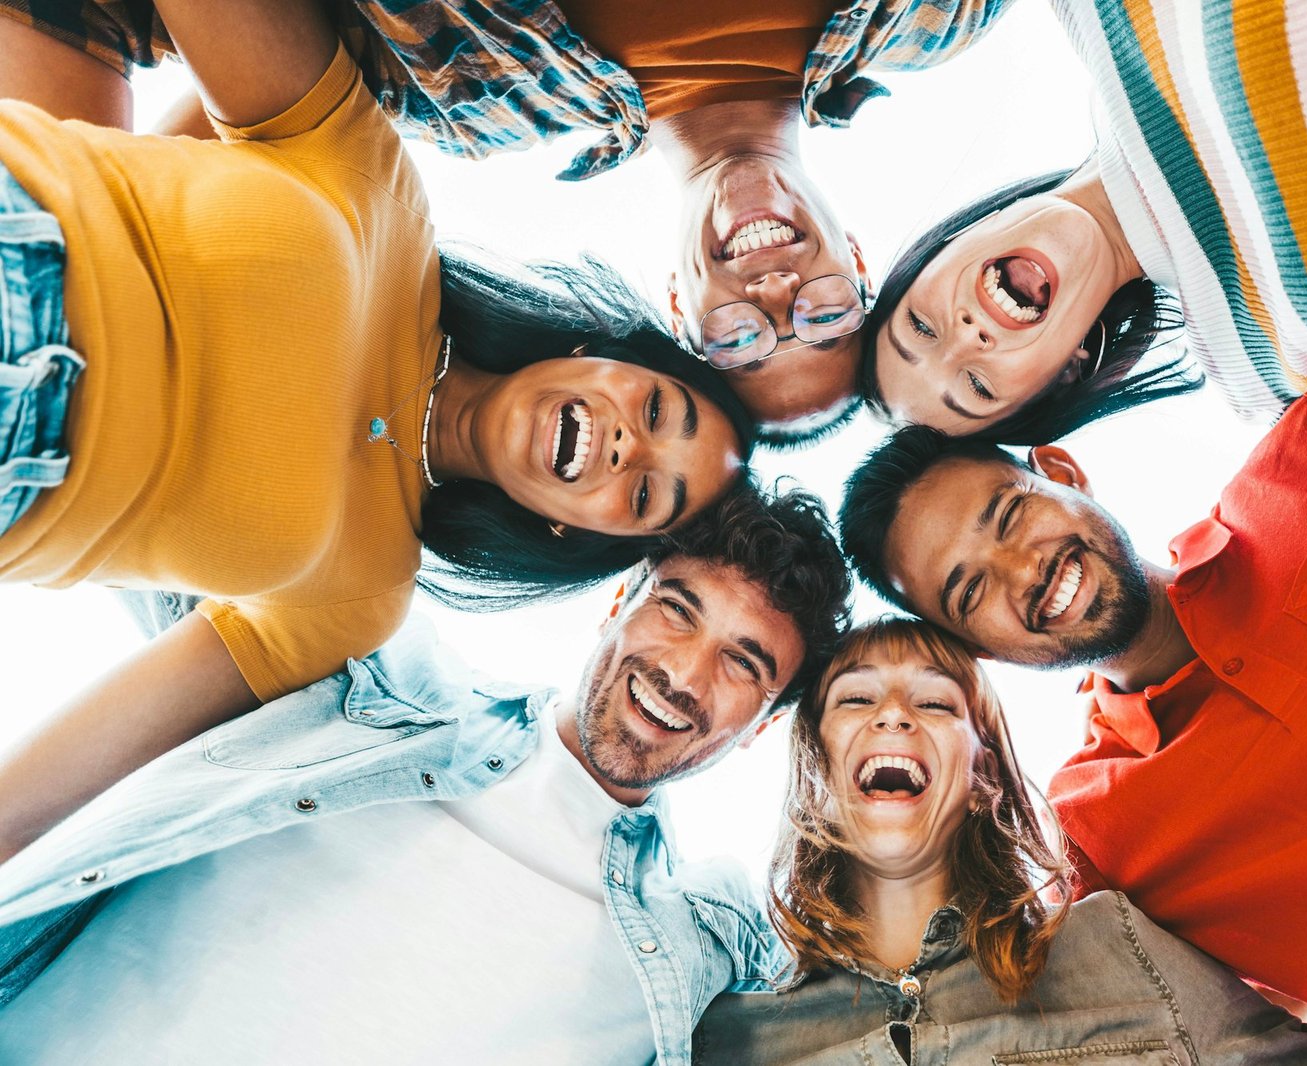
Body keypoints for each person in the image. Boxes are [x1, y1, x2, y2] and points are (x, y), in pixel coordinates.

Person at [0, 0, 765, 862]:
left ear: (576, 532)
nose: (631, 448)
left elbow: (77, 762)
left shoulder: (357, 602)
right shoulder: (384, 194)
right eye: (660, 409)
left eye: (647, 495)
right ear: (604, 352)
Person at [837, 326, 1307, 1063]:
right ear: (977, 650)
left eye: (1009, 515)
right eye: (970, 592)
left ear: (1064, 473)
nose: (1021, 572)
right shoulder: (1103, 843)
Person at [0, 483, 853, 1064]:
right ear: (615, 605)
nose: (686, 674)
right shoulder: (376, 677)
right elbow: (148, 515)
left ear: (761, 728)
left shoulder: (710, 941)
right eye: (677, 610)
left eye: (743, 664)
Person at [0, 0, 1019, 440]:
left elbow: (216, 99)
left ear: (677, 302)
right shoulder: (940, 15)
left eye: (742, 339)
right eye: (828, 316)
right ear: (861, 256)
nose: (777, 297)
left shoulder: (464, 102)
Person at [859, 0, 1307, 442]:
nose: (967, 337)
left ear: (943, 248)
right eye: (979, 386)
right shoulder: (1270, 370)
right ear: (1067, 372)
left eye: (921, 327)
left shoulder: (1094, 15)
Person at [694, 617, 1307, 1064]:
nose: (894, 714)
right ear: (816, 758)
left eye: (935, 703)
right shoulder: (725, 1036)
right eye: (855, 700)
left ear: (981, 764)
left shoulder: (1121, 947)